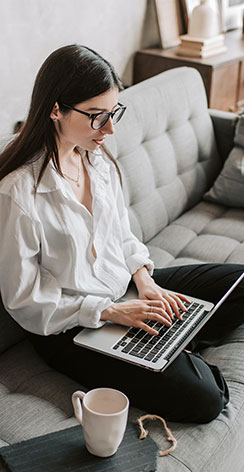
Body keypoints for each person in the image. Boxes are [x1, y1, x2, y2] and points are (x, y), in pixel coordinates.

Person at [0, 45, 243, 424]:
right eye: (98, 117)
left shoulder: (97, 158)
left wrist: (145, 281)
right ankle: (174, 345)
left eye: (113, 113)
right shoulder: (18, 192)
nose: (110, 129)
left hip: (125, 291)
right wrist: (111, 312)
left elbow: (122, 236)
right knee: (205, 401)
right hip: (72, 327)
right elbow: (25, 301)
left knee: (240, 281)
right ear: (55, 109)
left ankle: (172, 340)